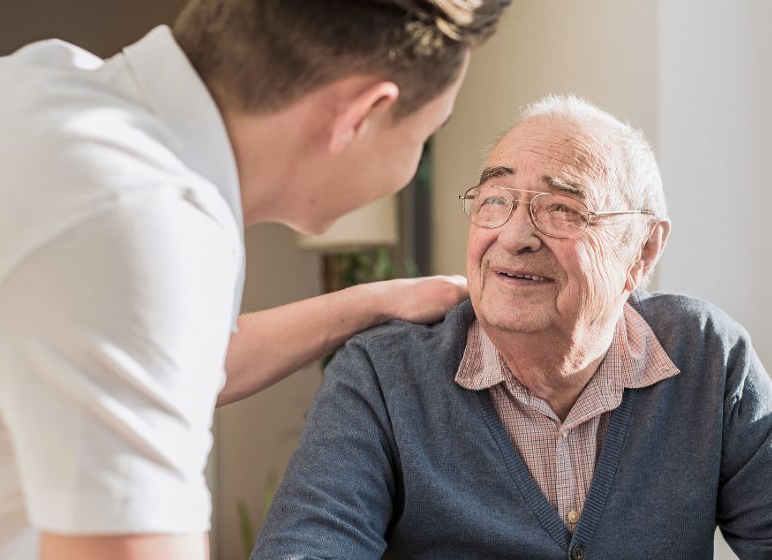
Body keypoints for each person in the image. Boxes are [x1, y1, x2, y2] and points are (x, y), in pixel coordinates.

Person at [0, 1, 512, 559]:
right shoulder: (139, 223)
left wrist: (378, 300)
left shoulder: (38, 88)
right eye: (426, 133)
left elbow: (143, 359)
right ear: (359, 117)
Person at [251, 95, 772, 559]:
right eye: (495, 200)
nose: (515, 235)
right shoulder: (385, 375)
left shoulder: (706, 356)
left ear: (643, 250)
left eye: (563, 208)